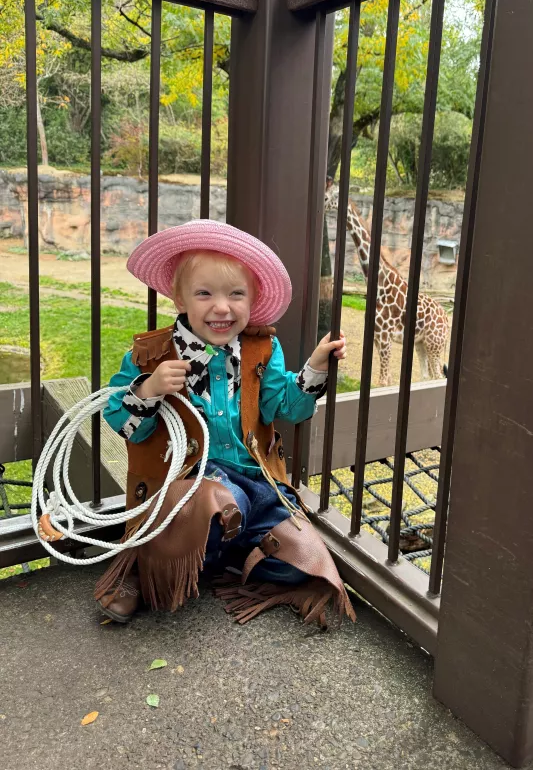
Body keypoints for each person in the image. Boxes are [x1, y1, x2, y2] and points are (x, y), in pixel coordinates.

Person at [93, 219, 354, 627]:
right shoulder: (154, 355)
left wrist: (315, 368)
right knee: (214, 502)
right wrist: (149, 389)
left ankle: (221, 552)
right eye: (204, 294)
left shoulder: (262, 348)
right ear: (179, 298)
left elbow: (287, 407)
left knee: (306, 564)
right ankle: (146, 567)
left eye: (237, 294)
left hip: (257, 482)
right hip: (190, 487)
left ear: (252, 300)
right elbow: (122, 422)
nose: (222, 307)